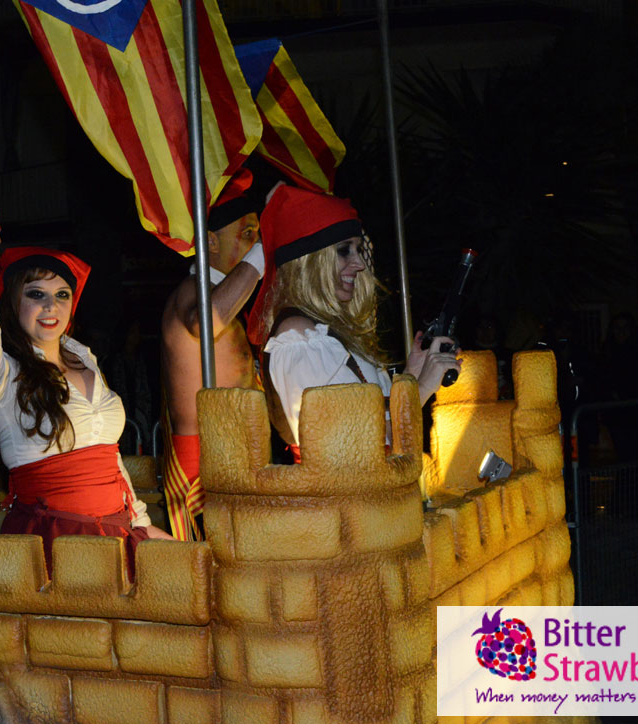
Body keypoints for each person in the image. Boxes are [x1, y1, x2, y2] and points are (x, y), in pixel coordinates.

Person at [0, 209, 173, 578]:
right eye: (36, 294)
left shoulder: (84, 358)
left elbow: (111, 460)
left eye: (61, 294)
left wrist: (141, 523)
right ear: (12, 303)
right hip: (52, 544)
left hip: (118, 535)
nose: (50, 306)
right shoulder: (1, 374)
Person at [248, 186, 459, 459]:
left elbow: (377, 424)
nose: (359, 263)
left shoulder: (323, 333)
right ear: (310, 261)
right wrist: (423, 387)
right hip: (341, 501)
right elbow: (352, 446)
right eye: (344, 250)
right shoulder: (299, 337)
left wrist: (412, 375)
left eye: (358, 250)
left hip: (364, 496)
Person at [159, 168, 263, 539]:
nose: (255, 243)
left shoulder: (233, 297)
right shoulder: (192, 289)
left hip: (236, 447)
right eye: (247, 235)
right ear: (211, 242)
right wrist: (259, 261)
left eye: (259, 236)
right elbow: (205, 325)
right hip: (201, 454)